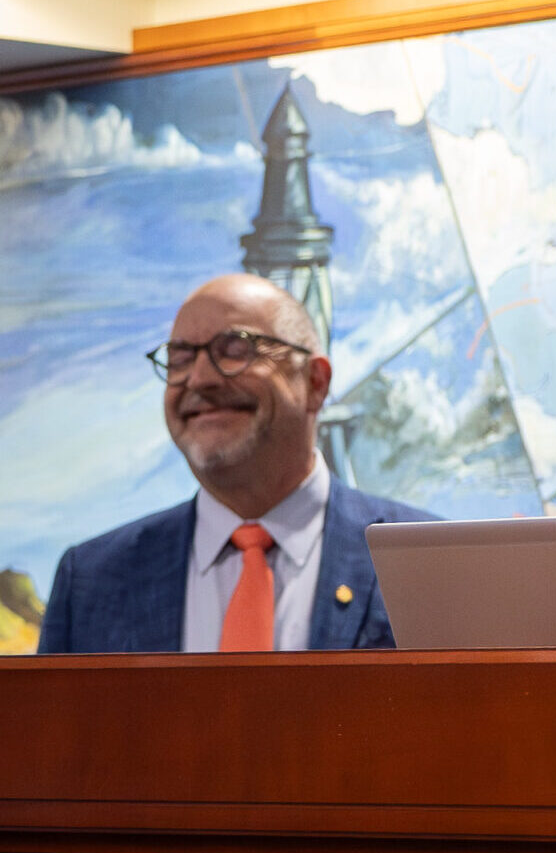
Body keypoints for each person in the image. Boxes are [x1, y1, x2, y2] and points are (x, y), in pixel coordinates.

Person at [38, 273, 436, 654]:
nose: (199, 379)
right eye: (179, 358)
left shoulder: (431, 558)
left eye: (236, 349)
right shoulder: (91, 581)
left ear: (315, 382)